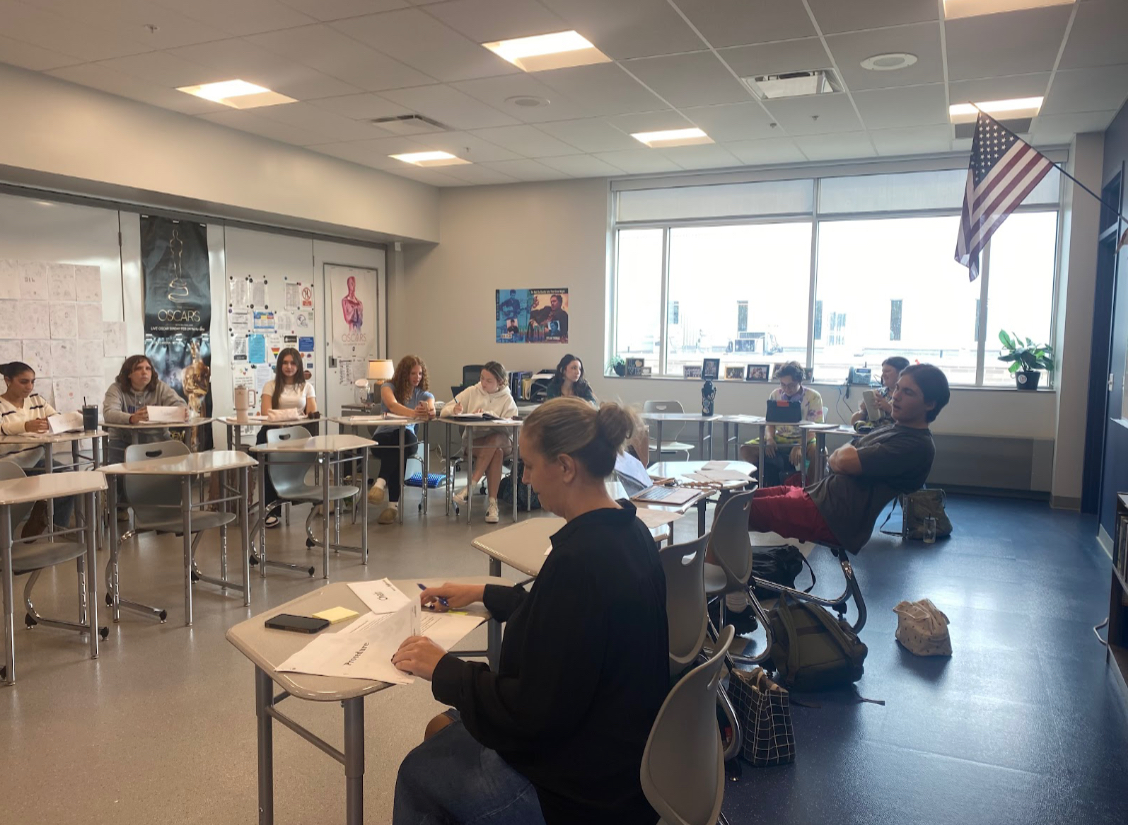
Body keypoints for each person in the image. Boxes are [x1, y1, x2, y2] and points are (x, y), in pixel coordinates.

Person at [391, 398, 668, 825]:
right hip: (621, 758)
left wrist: (445, 669)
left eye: (530, 466)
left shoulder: (580, 563)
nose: (525, 479)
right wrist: (481, 591)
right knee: (441, 731)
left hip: (577, 789)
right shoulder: (630, 534)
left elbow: (530, 713)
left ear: (565, 467)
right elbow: (568, 627)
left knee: (417, 774)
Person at [745, 364, 949, 554]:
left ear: (930, 404)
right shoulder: (894, 429)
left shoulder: (914, 445)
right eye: (897, 389)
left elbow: (840, 461)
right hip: (818, 497)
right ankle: (731, 576)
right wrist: (846, 453)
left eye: (908, 392)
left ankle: (722, 584)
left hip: (831, 516)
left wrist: (845, 455)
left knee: (734, 511)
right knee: (737, 500)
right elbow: (840, 458)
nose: (895, 397)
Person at [0, 361, 75, 536]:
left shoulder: (37, 400)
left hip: (38, 460)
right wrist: (25, 426)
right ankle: (40, 511)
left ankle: (55, 528)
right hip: (9, 464)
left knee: (69, 479)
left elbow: (57, 419)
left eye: (32, 381)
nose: (30, 386)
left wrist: (64, 420)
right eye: (24, 381)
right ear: (7, 381)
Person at [439, 361, 518, 524]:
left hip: (502, 440)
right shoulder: (472, 391)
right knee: (496, 452)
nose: (483, 383)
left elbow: (512, 426)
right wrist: (454, 410)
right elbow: (444, 410)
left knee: (496, 440)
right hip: (475, 443)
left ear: (500, 382)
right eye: (482, 378)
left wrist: (495, 418)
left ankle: (470, 486)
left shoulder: (507, 398)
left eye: (489, 381)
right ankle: (492, 505)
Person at [367, 355, 436, 525]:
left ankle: (380, 483)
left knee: (402, 439)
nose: (417, 377)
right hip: (383, 437)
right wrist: (414, 413)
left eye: (420, 374)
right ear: (404, 373)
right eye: (413, 373)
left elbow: (431, 406)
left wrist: (429, 411)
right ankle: (392, 506)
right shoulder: (387, 386)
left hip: (407, 438)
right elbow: (392, 405)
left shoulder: (424, 394)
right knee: (398, 449)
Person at [257, 348, 318, 528]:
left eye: (293, 363)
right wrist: (294, 413)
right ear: (279, 365)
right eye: (285, 363)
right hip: (271, 432)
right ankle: (269, 510)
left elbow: (312, 411)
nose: (289, 367)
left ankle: (289, 497)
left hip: (295, 435)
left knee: (287, 465)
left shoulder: (307, 387)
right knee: (268, 464)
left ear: (298, 366)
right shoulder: (270, 385)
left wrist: (288, 414)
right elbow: (266, 412)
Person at [739, 361, 823, 486]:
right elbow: (770, 423)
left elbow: (814, 428)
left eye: (791, 385)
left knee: (819, 452)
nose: (787, 389)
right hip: (780, 438)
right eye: (783, 385)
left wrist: (800, 445)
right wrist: (770, 439)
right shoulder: (775, 394)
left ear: (800, 382)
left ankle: (811, 489)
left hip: (805, 438)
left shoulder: (813, 397)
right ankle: (767, 481)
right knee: (745, 449)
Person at [102, 354, 189, 465]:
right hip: (124, 441)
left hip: (156, 439)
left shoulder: (160, 387)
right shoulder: (116, 388)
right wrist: (131, 418)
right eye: (139, 368)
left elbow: (180, 404)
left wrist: (183, 411)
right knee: (120, 476)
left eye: (148, 368)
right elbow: (109, 413)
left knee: (181, 463)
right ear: (129, 373)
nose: (144, 372)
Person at [851, 356, 910, 431]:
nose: (883, 375)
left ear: (901, 373)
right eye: (883, 372)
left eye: (887, 371)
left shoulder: (908, 396)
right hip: (870, 436)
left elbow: (909, 424)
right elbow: (853, 422)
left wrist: (889, 409)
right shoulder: (877, 393)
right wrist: (863, 411)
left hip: (894, 438)